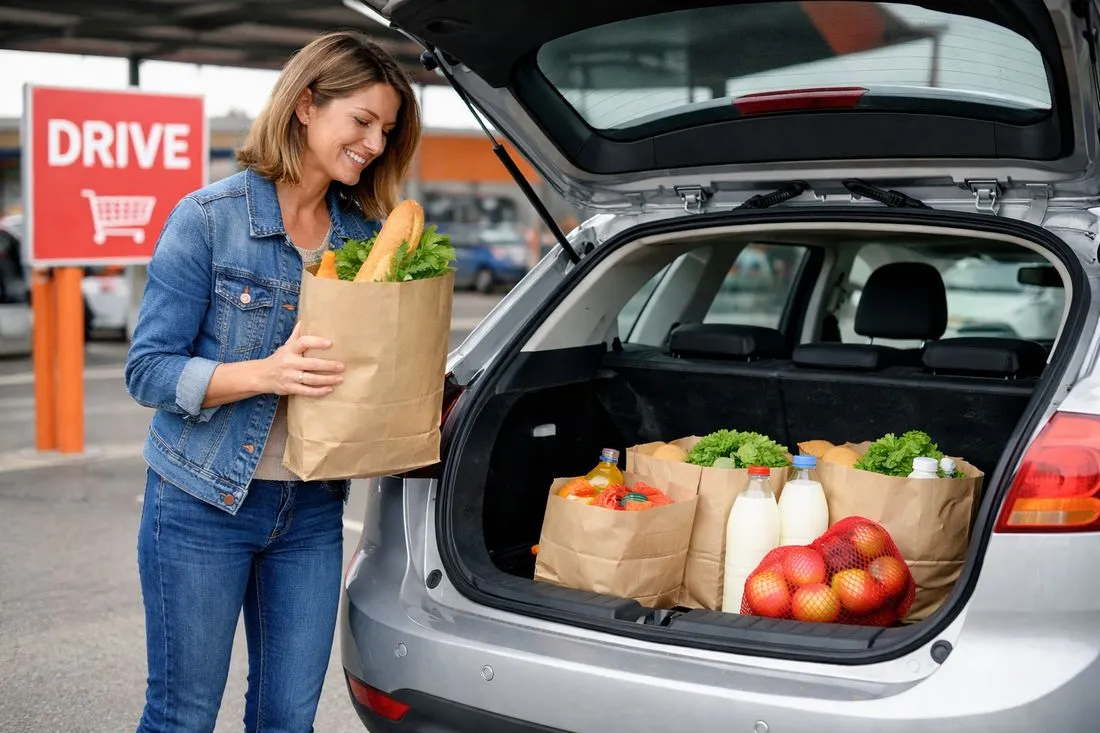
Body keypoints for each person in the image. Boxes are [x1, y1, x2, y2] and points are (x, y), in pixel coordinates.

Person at [124, 30, 421, 733]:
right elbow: (148, 370)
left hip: (310, 511)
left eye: (387, 130)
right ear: (307, 105)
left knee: (288, 719)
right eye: (364, 122)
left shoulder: (366, 239)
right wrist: (266, 372)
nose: (376, 145)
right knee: (183, 716)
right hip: (199, 503)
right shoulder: (208, 220)